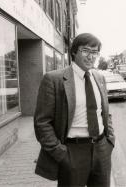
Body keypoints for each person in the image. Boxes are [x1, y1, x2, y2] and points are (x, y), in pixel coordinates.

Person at [34, 33, 115, 187]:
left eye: (95, 52)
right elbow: (42, 123)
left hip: (101, 149)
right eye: (85, 51)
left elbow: (105, 112)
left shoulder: (100, 78)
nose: (91, 56)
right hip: (72, 151)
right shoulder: (54, 79)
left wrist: (109, 140)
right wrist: (61, 154)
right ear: (74, 52)